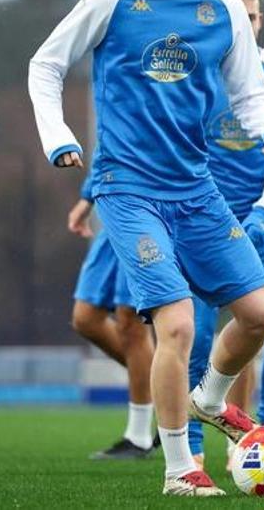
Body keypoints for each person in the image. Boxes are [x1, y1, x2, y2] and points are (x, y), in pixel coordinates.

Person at [27, 0, 264, 497]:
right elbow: (45, 64)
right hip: (129, 190)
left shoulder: (224, 10)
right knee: (176, 326)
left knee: (260, 316)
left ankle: (209, 400)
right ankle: (180, 469)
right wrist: (58, 135)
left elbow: (250, 90)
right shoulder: (113, 0)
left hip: (196, 188)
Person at [186, 0, 264, 471]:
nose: (246, 23)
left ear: (259, 19)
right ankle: (188, 452)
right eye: (236, 12)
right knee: (193, 337)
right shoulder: (194, 74)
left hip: (261, 225)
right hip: (197, 225)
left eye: (252, 15)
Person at [66, 169, 157, 459]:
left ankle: (139, 435)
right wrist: (87, 197)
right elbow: (111, 142)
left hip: (148, 210)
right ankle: (174, 386)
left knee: (131, 319)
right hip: (114, 206)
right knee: (85, 317)